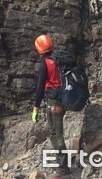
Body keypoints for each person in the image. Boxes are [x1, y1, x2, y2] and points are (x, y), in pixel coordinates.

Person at [32, 34, 71, 179]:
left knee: (56, 135)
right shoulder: (57, 59)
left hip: (54, 102)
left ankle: (63, 170)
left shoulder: (44, 64)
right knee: (56, 133)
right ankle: (63, 165)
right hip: (63, 98)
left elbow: (40, 88)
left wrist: (36, 107)